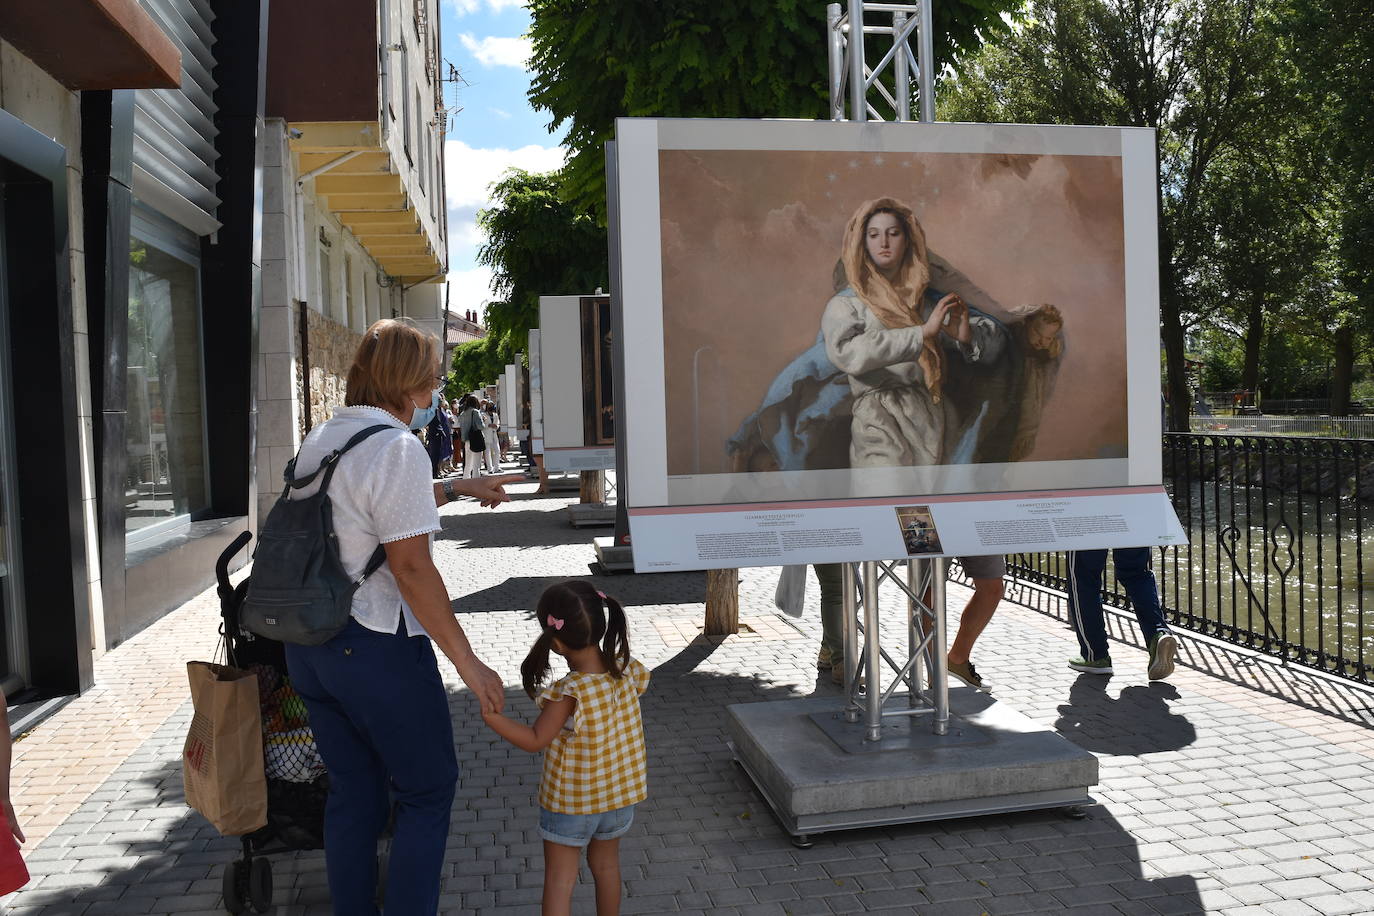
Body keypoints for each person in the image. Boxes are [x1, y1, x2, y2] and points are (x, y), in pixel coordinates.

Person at [283, 318, 523, 915]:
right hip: (376, 647)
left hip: (310, 645)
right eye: (432, 379)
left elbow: (368, 515)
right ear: (407, 384)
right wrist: (469, 664)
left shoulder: (325, 437)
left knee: (354, 795)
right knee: (427, 791)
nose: (436, 390)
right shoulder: (397, 446)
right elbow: (411, 568)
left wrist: (460, 488)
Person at [481, 581, 649, 916]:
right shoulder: (628, 670)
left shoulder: (569, 692)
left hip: (572, 803)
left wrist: (492, 718)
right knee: (607, 868)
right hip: (619, 799)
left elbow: (535, 740)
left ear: (556, 643)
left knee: (561, 880)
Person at [1066, 547, 1177, 680]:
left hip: (1087, 533)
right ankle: (1157, 633)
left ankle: (1095, 655)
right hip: (1135, 532)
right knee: (1137, 573)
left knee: (1083, 577)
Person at [457, 395, 486, 478]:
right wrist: (483, 420)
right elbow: (481, 426)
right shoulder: (475, 412)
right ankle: (476, 481)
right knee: (476, 464)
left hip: (466, 440)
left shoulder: (462, 414)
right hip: (476, 439)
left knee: (468, 464)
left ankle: (466, 480)